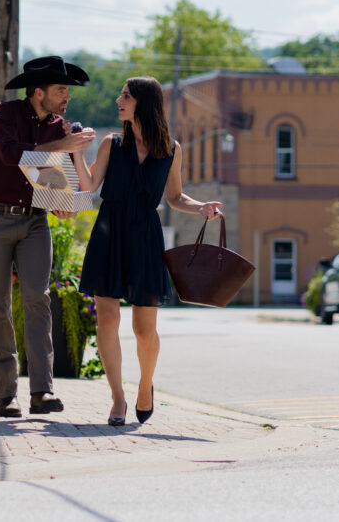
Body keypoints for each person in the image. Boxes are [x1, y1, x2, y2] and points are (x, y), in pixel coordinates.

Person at [72, 77, 222, 426]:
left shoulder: (171, 149)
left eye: (125, 96)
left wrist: (200, 206)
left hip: (144, 236)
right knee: (107, 318)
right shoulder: (112, 143)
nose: (117, 100)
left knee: (144, 329)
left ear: (144, 103)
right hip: (109, 233)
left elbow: (174, 197)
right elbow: (91, 186)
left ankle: (144, 386)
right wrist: (77, 152)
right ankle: (118, 398)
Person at [0, 55, 96, 418]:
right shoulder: (4, 115)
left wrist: (63, 201)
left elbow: (55, 183)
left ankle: (42, 391)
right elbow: (13, 157)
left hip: (34, 222)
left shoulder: (60, 127)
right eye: (62, 90)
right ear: (38, 92)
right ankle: (6, 394)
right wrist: (65, 146)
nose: (67, 97)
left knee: (38, 300)